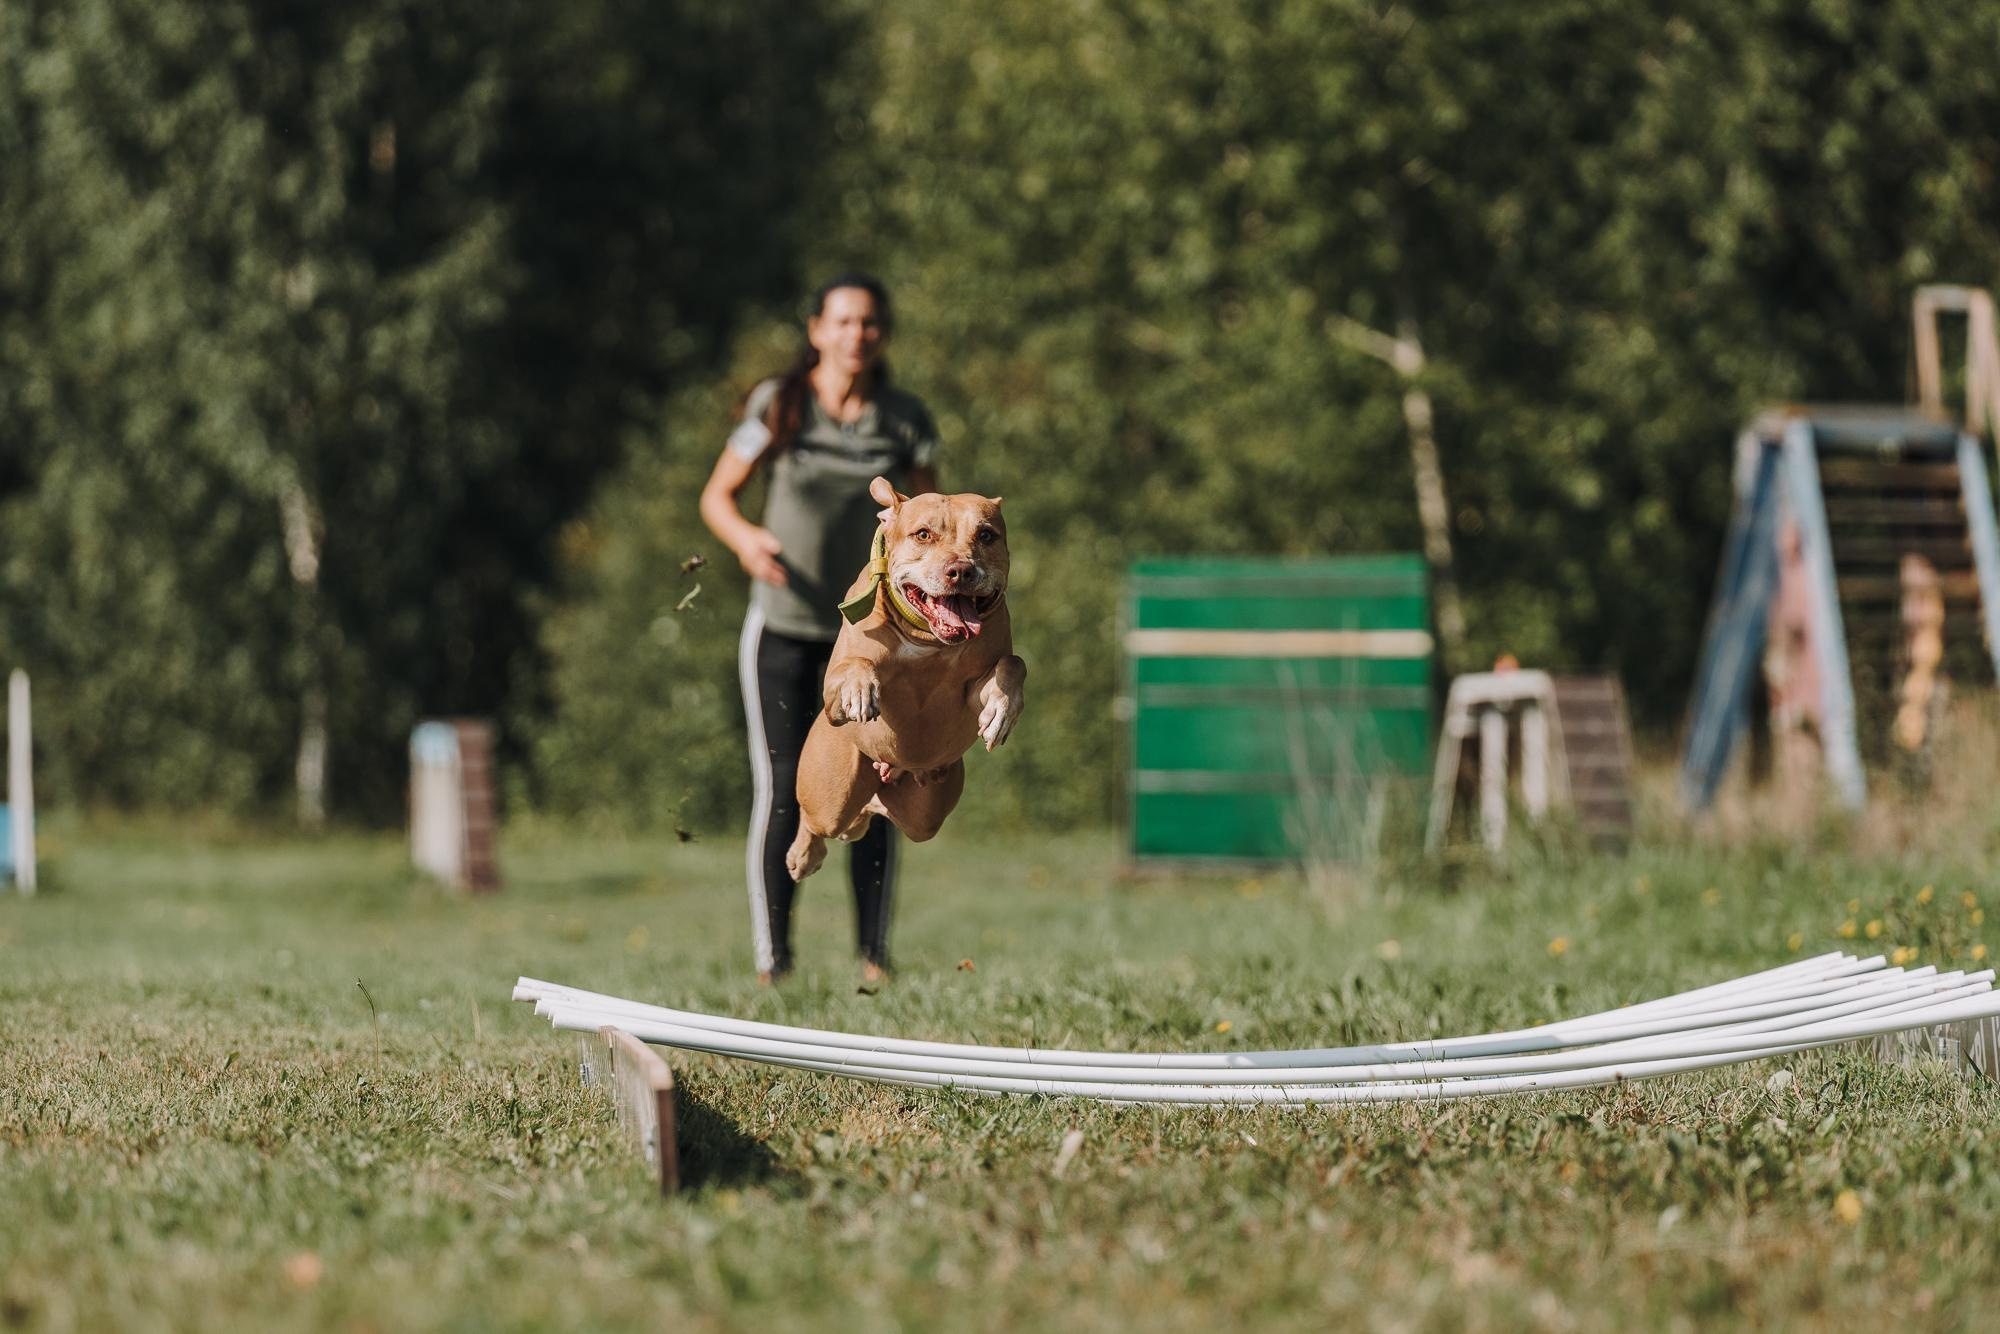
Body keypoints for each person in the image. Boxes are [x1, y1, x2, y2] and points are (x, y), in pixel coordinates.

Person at [699, 274, 939, 984]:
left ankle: (874, 958)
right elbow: (718, 495)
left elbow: (936, 514)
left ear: (880, 334)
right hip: (785, 628)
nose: (855, 335)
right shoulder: (782, 405)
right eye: (841, 322)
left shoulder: (904, 418)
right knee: (782, 787)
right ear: (816, 331)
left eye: (868, 323)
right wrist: (745, 540)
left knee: (878, 776)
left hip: (873, 638)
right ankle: (775, 958)